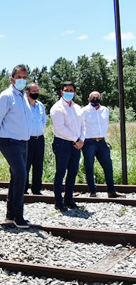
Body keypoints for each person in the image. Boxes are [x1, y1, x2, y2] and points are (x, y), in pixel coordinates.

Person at [0, 64, 32, 228]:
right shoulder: (7, 96)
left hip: (23, 142)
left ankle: (10, 214)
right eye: (19, 77)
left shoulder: (23, 97)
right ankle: (18, 216)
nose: (22, 80)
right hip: (9, 141)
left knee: (16, 177)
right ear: (12, 79)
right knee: (21, 175)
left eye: (24, 77)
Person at [80, 91, 123, 198]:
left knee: (108, 166)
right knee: (89, 166)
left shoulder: (105, 110)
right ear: (89, 99)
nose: (95, 99)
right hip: (89, 142)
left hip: (102, 142)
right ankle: (92, 191)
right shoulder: (84, 111)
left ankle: (111, 191)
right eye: (93, 98)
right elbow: (80, 126)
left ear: (101, 99)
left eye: (97, 97)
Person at [50, 81, 85, 211]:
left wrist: (81, 139)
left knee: (73, 172)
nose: (69, 92)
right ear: (61, 92)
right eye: (66, 90)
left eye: (71, 90)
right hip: (62, 143)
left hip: (76, 145)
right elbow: (60, 127)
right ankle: (58, 202)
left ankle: (69, 199)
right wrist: (76, 139)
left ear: (74, 92)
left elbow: (82, 125)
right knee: (60, 172)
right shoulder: (57, 108)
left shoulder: (77, 108)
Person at [25, 83, 47, 195]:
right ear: (27, 92)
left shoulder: (40, 106)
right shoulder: (23, 105)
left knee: (38, 165)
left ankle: (37, 189)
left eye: (37, 90)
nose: (36, 93)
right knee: (26, 165)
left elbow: (44, 121)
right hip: (27, 139)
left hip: (39, 139)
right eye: (34, 91)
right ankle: (24, 189)